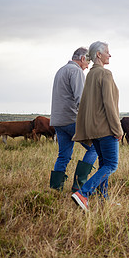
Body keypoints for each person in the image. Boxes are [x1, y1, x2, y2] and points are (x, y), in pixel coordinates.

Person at [71, 41, 123, 211]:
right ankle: (83, 193)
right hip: (106, 128)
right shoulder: (105, 74)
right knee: (111, 165)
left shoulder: (90, 74)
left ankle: (104, 199)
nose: (110, 55)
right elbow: (109, 104)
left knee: (103, 163)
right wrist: (118, 129)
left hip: (94, 129)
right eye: (107, 52)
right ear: (99, 55)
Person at [50, 47, 98, 192]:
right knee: (96, 147)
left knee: (63, 155)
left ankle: (55, 188)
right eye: (88, 62)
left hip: (58, 121)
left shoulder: (61, 70)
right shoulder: (76, 71)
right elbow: (81, 99)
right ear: (83, 58)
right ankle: (79, 185)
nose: (88, 66)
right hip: (72, 120)